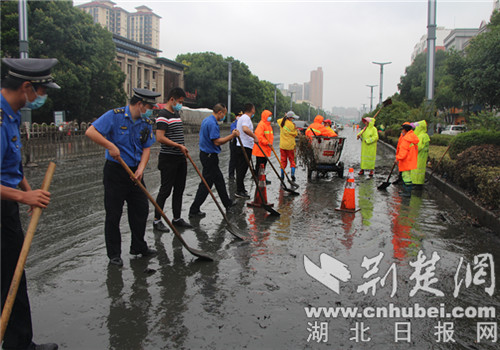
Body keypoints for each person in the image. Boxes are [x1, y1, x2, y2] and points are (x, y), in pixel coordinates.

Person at [1, 57, 60, 350]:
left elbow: (9, 167)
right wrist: (23, 196)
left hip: (7, 203)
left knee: (14, 275)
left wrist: (26, 189)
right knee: (9, 279)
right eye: (41, 90)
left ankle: (20, 343)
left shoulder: (10, 115)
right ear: (26, 87)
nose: (41, 97)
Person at [86, 88, 159, 266]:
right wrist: (109, 145)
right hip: (116, 171)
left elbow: (147, 147)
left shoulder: (146, 122)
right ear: (140, 104)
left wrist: (141, 169)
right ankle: (114, 255)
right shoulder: (115, 115)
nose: (151, 110)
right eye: (149, 106)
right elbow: (91, 132)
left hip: (135, 172)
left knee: (140, 210)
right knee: (113, 214)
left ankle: (138, 246)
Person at [189, 104, 240, 217]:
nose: (224, 116)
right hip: (209, 157)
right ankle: (194, 209)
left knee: (219, 181)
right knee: (206, 185)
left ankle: (227, 203)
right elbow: (217, 141)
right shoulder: (212, 123)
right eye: (224, 114)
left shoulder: (207, 120)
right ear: (220, 112)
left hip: (208, 155)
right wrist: (232, 136)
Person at [153, 87, 192, 231]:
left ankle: (177, 218)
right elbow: (160, 137)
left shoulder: (175, 113)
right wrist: (177, 145)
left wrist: (182, 150)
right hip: (168, 158)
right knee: (165, 190)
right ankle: (157, 220)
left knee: (179, 189)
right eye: (180, 101)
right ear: (172, 99)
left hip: (180, 157)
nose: (180, 104)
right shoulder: (163, 115)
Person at [234, 103, 259, 199]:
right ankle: (239, 191)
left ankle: (241, 188)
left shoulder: (243, 118)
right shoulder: (246, 118)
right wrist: (254, 136)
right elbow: (245, 129)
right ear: (252, 109)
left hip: (243, 146)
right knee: (242, 169)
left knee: (242, 169)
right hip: (244, 147)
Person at [395, 122, 420, 197]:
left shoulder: (406, 139)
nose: (402, 131)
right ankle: (407, 192)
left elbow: (403, 153)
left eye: (402, 130)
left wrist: (397, 158)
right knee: (408, 176)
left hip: (405, 161)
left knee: (406, 177)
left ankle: (407, 192)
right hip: (411, 160)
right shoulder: (412, 137)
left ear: (405, 130)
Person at [252, 110, 274, 184]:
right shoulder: (261, 125)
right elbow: (259, 136)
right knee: (260, 165)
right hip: (261, 149)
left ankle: (262, 178)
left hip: (266, 149)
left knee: (263, 165)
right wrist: (267, 143)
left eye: (270, 116)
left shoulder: (268, 125)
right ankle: (259, 178)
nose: (270, 117)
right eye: (269, 116)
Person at [277, 111, 299, 182]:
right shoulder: (292, 125)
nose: (293, 119)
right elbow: (295, 134)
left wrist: (285, 116)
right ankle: (292, 175)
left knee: (283, 161)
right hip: (290, 146)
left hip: (282, 146)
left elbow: (278, 120)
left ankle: (282, 176)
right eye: (293, 117)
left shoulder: (281, 122)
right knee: (292, 160)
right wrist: (296, 130)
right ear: (290, 118)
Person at [411, 120, 430, 186]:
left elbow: (418, 147)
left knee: (417, 170)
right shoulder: (425, 135)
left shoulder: (421, 136)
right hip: (421, 157)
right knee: (419, 170)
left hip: (419, 157)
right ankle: (417, 182)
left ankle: (417, 183)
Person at [228, 111, 242, 180]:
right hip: (234, 142)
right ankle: (231, 174)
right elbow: (234, 131)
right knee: (233, 158)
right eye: (239, 115)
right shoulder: (234, 124)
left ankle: (238, 173)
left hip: (241, 142)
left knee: (239, 159)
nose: (240, 117)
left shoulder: (243, 124)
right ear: (236, 116)